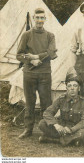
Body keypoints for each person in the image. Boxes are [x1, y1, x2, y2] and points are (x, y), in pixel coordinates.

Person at [16, 8, 57, 139]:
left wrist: (36, 56)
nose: (40, 20)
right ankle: (28, 129)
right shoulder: (26, 35)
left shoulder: (50, 35)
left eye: (42, 18)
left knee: (46, 103)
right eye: (37, 18)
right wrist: (31, 60)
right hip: (29, 73)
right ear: (33, 18)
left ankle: (47, 130)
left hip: (45, 73)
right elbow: (19, 55)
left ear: (45, 19)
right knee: (30, 102)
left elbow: (52, 53)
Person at [38, 68, 84, 146]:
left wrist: (71, 130)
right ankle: (70, 141)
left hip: (74, 129)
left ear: (79, 88)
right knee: (42, 123)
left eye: (75, 86)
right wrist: (56, 125)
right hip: (61, 128)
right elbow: (47, 113)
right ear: (66, 88)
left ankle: (54, 139)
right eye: (69, 86)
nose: (72, 88)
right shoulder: (61, 99)